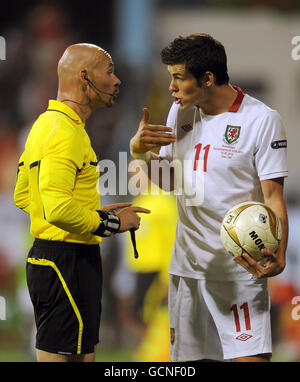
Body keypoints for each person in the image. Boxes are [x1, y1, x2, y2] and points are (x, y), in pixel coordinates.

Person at [129, 33, 289, 362]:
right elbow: (172, 182)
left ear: (207, 79)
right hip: (187, 270)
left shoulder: (261, 120)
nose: (171, 87)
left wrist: (280, 253)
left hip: (239, 271)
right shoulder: (180, 113)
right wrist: (141, 154)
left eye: (178, 78)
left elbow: (273, 198)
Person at [13, 43, 150, 362]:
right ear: (84, 77)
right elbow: (56, 208)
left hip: (67, 258)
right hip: (65, 261)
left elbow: (25, 195)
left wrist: (88, 215)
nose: (116, 80)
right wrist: (112, 223)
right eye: (109, 70)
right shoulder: (64, 132)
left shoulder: (51, 125)